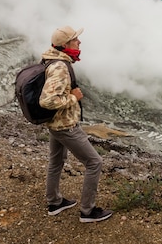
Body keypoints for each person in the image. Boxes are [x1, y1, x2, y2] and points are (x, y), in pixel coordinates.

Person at [39, 25, 113, 223]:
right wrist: (73, 98)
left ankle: (55, 202)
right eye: (75, 40)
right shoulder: (61, 68)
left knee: (56, 162)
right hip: (65, 126)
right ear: (65, 45)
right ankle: (88, 212)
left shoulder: (52, 60)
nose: (79, 42)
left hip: (55, 125)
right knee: (94, 162)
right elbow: (47, 101)